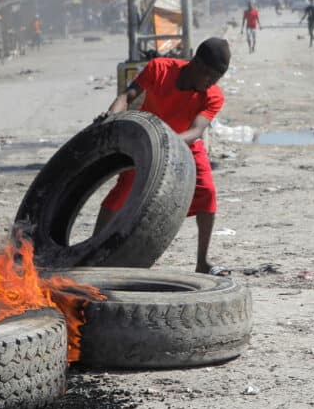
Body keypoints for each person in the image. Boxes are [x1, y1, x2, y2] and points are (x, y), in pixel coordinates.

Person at [93, 38, 232, 275]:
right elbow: (127, 97)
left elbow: (197, 130)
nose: (210, 83)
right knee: (123, 191)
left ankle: (202, 261)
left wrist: (169, 141)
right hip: (146, 139)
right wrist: (110, 118)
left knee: (207, 192)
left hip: (185, 143)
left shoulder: (213, 96)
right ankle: (93, 251)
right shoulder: (159, 69)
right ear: (195, 63)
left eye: (216, 79)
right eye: (208, 75)